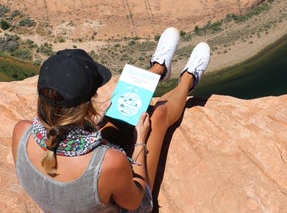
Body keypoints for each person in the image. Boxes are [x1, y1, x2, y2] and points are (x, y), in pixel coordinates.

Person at [12, 27, 210, 213]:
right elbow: (135, 203)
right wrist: (141, 138)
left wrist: (90, 124)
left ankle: (158, 69)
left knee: (116, 113)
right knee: (157, 116)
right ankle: (188, 79)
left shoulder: (21, 131)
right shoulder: (109, 163)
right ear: (86, 104)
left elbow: (56, 154)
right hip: (131, 203)